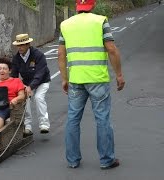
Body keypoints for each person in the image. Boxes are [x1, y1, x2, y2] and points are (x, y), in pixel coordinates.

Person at [57, 0, 125, 169]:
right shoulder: (100, 20)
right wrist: (119, 74)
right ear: (92, 5)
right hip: (97, 79)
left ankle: (72, 160)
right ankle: (106, 160)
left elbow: (60, 54)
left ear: (76, 7)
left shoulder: (65, 24)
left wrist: (64, 78)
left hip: (76, 80)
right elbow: (111, 48)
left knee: (73, 119)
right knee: (102, 119)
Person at [11, 33, 51, 135]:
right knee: (25, 100)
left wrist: (31, 87)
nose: (20, 47)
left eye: (22, 45)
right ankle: (28, 126)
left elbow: (40, 73)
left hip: (42, 81)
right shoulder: (16, 58)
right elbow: (14, 76)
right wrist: (20, 87)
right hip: (26, 82)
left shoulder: (38, 55)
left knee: (38, 97)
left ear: (28, 44)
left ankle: (44, 124)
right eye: (18, 45)